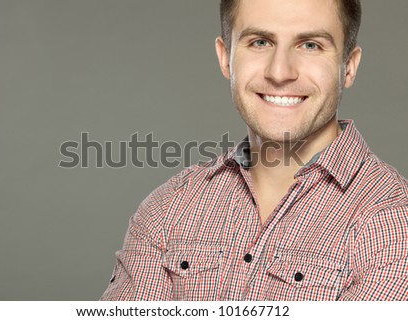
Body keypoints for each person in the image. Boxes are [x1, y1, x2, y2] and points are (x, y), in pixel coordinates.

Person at [101, 0, 408, 300]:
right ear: (226, 58)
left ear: (349, 67)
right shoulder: (169, 209)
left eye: (310, 45)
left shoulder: (393, 222)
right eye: (260, 42)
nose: (280, 71)